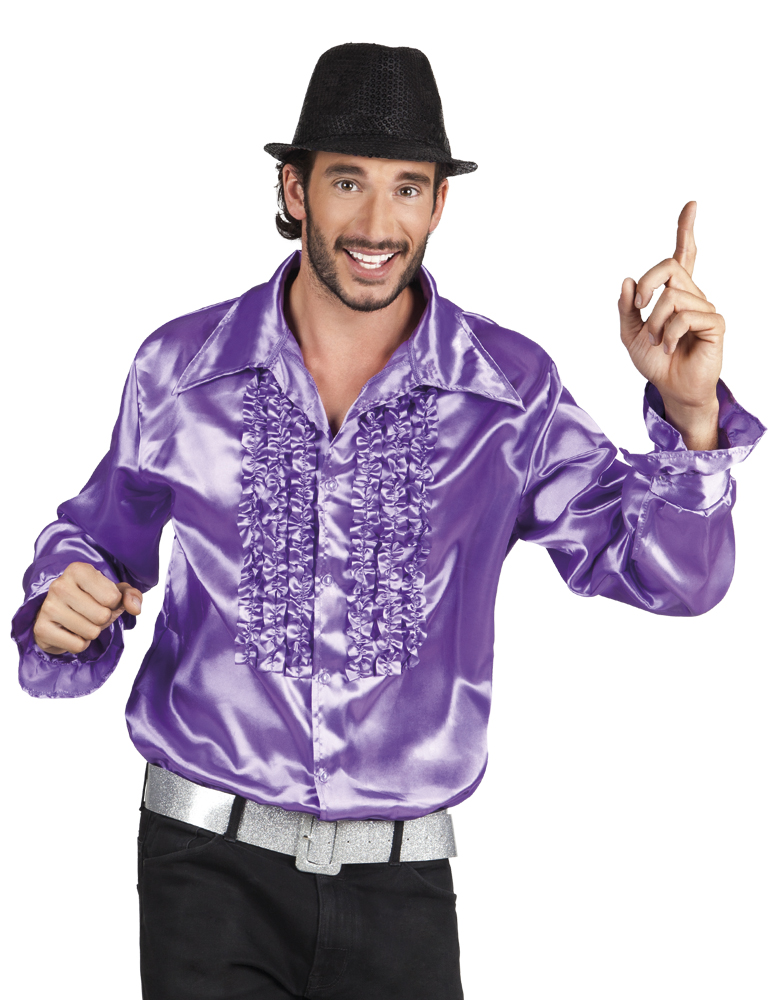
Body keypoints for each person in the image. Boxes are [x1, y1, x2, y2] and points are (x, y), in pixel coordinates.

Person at [11, 41, 764, 1000]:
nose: (377, 223)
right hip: (203, 870)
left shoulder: (508, 393)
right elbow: (97, 543)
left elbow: (674, 577)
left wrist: (692, 420)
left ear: (439, 204)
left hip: (400, 885)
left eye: (407, 188)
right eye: (348, 182)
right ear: (295, 190)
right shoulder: (181, 369)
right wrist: (62, 603)